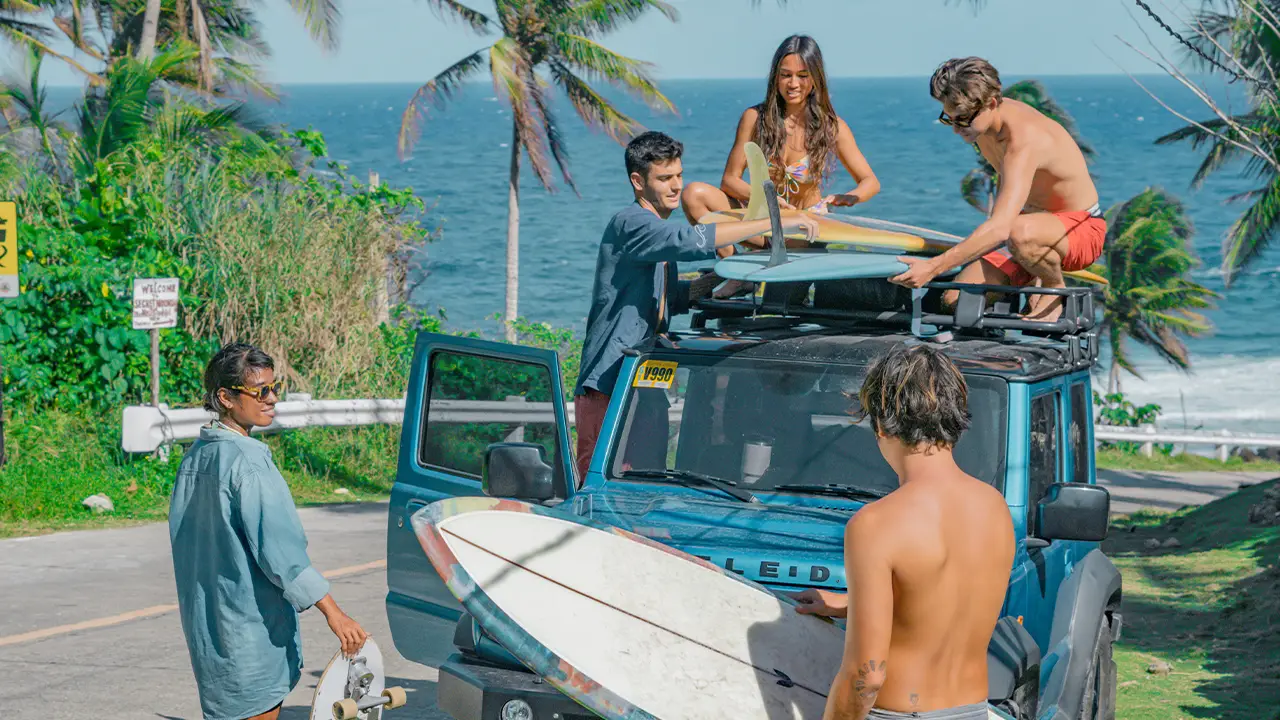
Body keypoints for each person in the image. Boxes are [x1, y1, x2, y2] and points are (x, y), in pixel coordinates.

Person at [573, 130, 818, 483]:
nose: (676, 186)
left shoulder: (653, 234)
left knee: (647, 485)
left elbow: (669, 298)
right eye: (664, 178)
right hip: (611, 385)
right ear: (638, 182)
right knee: (602, 488)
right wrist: (774, 221)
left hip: (644, 385)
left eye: (679, 175)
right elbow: (688, 239)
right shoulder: (632, 223)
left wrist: (723, 279)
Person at [790, 344, 1015, 720]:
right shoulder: (994, 507)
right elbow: (944, 600)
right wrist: (850, 605)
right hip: (973, 711)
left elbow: (867, 676)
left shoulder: (876, 523)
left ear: (881, 425)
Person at [170, 343, 368, 720]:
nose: (272, 399)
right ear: (225, 398)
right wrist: (335, 614)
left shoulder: (196, 456)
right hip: (250, 634)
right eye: (260, 391)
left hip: (209, 630)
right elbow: (281, 553)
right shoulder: (248, 463)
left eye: (274, 388)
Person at [890, 57, 1106, 322]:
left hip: (1080, 229)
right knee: (956, 301)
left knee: (1019, 232)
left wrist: (933, 267)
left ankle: (1053, 286)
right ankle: (1029, 275)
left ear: (991, 104)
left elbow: (1002, 228)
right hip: (1028, 230)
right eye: (949, 118)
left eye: (963, 119)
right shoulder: (983, 121)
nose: (956, 129)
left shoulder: (1024, 141)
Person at [681, 34, 880, 228]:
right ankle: (730, 247)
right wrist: (767, 199)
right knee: (693, 195)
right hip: (763, 221)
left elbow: (870, 181)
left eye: (803, 76)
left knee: (795, 231)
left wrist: (849, 197)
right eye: (785, 75)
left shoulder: (831, 127)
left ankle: (747, 243)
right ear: (775, 77)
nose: (793, 84)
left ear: (815, 79)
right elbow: (730, 180)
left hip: (804, 226)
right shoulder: (754, 118)